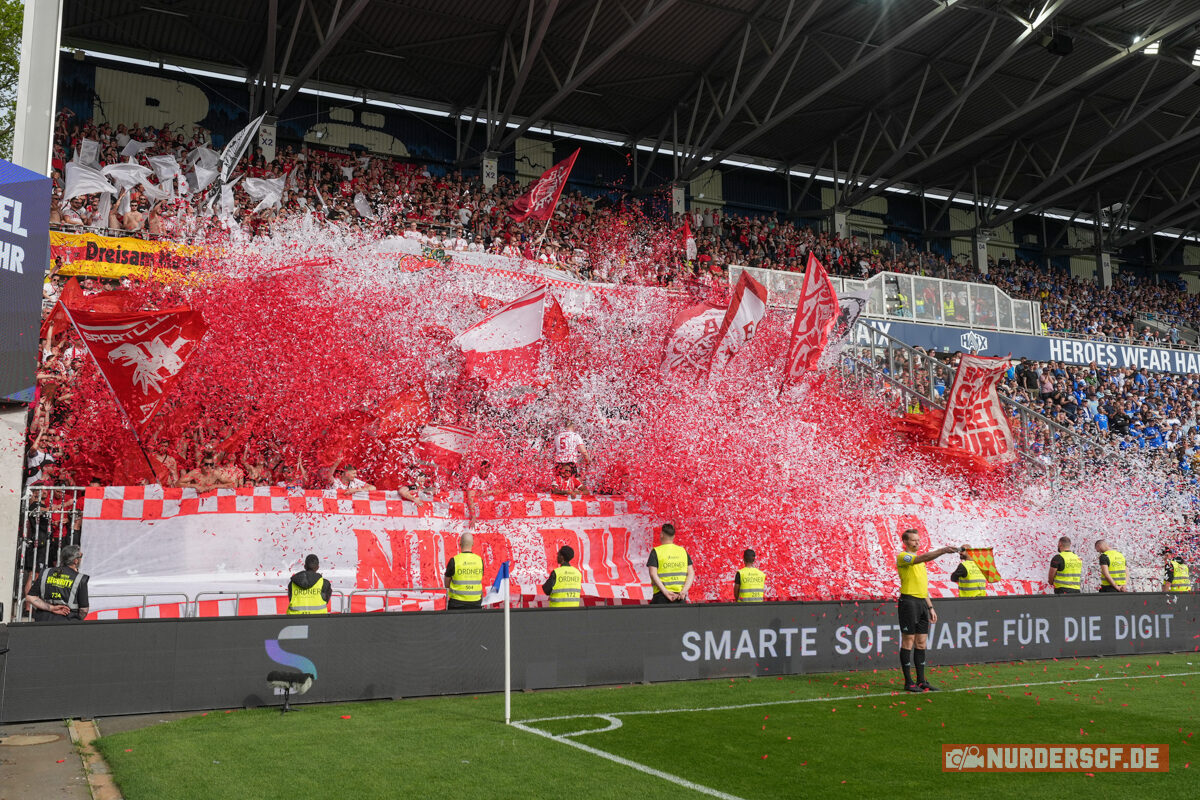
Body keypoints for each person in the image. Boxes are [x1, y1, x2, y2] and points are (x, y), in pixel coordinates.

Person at [895, 528, 957, 692]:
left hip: (922, 602)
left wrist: (930, 607)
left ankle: (921, 681)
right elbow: (923, 558)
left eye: (918, 540)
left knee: (921, 643)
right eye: (914, 540)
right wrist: (943, 550)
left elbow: (923, 587)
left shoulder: (920, 562)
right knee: (908, 641)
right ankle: (908, 682)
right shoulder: (904, 557)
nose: (917, 542)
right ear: (906, 542)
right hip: (908, 602)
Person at [25, 544, 89, 622]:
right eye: (80, 557)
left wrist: (51, 608)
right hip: (69, 622)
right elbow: (84, 610)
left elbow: (30, 597)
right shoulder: (80, 578)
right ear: (75, 560)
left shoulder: (46, 572)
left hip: (43, 621)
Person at [647, 523, 694, 604]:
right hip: (680, 597)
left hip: (661, 596)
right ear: (674, 536)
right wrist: (684, 591)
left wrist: (665, 592)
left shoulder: (656, 551)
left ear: (661, 535)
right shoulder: (682, 551)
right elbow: (691, 573)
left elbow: (653, 574)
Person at [444, 532, 484, 609]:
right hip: (476, 603)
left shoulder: (454, 560)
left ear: (460, 543)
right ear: (473, 544)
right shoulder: (479, 560)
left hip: (456, 603)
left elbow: (447, 584)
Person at [465, 460, 497, 528]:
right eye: (485, 471)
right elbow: (470, 498)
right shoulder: (474, 479)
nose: (487, 474)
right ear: (480, 469)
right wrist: (473, 516)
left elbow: (500, 490)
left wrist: (486, 493)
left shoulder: (491, 476)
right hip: (478, 508)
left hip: (488, 509)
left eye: (488, 471)